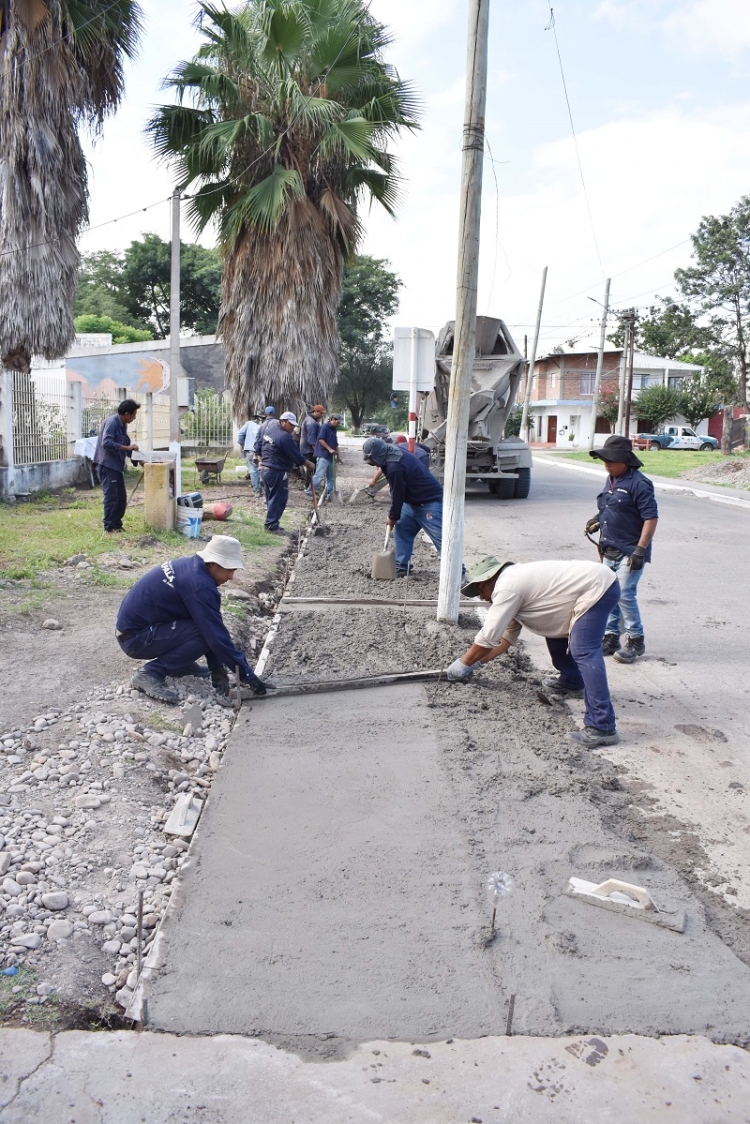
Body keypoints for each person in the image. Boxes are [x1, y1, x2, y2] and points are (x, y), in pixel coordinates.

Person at [447, 555, 621, 748]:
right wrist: (476, 663)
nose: (481, 597)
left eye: (480, 590)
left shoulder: (507, 587)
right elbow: (505, 638)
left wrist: (463, 663)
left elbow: (488, 636)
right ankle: (572, 682)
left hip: (597, 587)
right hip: (591, 585)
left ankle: (602, 726)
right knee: (555, 631)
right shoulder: (511, 585)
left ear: (490, 579)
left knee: (584, 650)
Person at [115, 535, 268, 704]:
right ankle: (150, 673)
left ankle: (178, 663)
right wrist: (248, 676)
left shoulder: (191, 567)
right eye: (229, 569)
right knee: (203, 633)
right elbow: (214, 636)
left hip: (139, 630)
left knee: (205, 627)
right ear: (213, 564)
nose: (231, 576)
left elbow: (207, 622)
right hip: (136, 638)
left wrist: (216, 667)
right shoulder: (200, 585)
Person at [587, 434, 659, 664]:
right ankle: (611, 638)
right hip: (609, 548)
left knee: (625, 594)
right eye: (605, 459)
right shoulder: (611, 480)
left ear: (625, 460)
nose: (607, 463)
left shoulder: (639, 483)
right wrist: (598, 518)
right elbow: (612, 508)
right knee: (608, 595)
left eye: (611, 459)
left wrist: (641, 549)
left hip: (630, 551)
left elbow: (650, 518)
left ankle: (636, 640)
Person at [362, 436, 443, 576]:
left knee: (440, 538)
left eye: (374, 461)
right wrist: (394, 516)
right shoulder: (390, 452)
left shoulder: (395, 466)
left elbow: (397, 495)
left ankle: (457, 572)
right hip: (411, 501)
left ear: (379, 455)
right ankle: (401, 565)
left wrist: (393, 516)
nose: (374, 465)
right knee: (402, 529)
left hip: (428, 501)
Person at [254, 411, 315, 533]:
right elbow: (296, 456)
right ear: (282, 421)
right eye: (290, 425)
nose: (292, 428)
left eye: (294, 425)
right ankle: (271, 526)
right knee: (279, 499)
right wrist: (309, 464)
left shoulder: (270, 430)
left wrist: (261, 460)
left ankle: (271, 523)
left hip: (266, 470)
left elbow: (259, 446)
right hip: (276, 471)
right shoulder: (284, 437)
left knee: (271, 498)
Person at [93, 399, 140, 533]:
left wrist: (138, 458)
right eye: (133, 414)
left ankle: (117, 525)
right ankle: (109, 527)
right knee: (111, 497)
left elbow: (125, 444)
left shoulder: (122, 425)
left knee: (121, 497)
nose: (134, 417)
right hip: (108, 466)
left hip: (117, 466)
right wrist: (128, 447)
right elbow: (106, 443)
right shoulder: (112, 423)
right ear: (126, 413)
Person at [311, 412, 343, 499]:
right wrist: (329, 449)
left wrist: (338, 457)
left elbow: (335, 443)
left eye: (339, 423)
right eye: (337, 422)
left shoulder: (334, 429)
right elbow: (320, 439)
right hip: (323, 455)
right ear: (333, 419)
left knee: (331, 478)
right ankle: (310, 492)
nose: (338, 424)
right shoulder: (325, 427)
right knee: (319, 475)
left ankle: (330, 495)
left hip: (331, 457)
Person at [237, 415, 262, 496]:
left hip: (251, 450)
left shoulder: (249, 424)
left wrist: (242, 443)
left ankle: (257, 491)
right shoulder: (265, 425)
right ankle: (265, 489)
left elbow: (240, 434)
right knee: (262, 469)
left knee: (253, 470)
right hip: (262, 451)